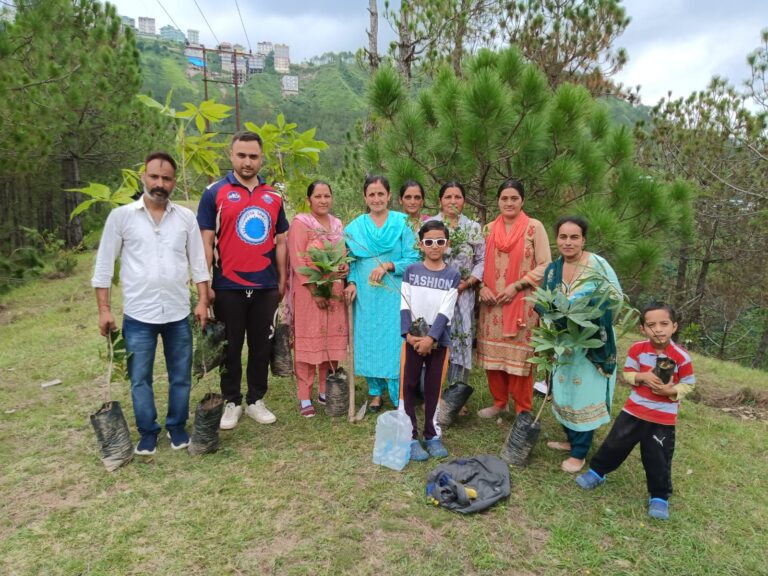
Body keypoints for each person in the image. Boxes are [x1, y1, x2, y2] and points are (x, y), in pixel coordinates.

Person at [92, 152, 209, 455]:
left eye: (166, 178)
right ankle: (147, 431)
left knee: (180, 375)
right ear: (143, 176)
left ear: (173, 182)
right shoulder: (122, 218)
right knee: (140, 377)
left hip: (177, 312)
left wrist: (203, 301)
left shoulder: (185, 218)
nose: (160, 183)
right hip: (138, 315)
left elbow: (198, 262)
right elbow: (104, 265)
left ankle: (177, 426)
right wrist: (104, 309)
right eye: (154, 177)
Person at [197, 131, 289, 429]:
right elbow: (206, 241)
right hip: (228, 285)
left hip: (265, 285)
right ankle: (232, 401)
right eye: (242, 155)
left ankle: (255, 400)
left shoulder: (273, 196)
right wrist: (206, 282)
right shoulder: (215, 192)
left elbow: (281, 240)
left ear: (261, 158)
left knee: (261, 345)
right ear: (231, 155)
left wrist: (283, 278)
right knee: (231, 345)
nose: (247, 162)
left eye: (253, 156)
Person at [576, 302, 696, 521]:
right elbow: (628, 374)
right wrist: (642, 377)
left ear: (674, 327)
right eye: (651, 325)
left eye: (664, 324)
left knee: (657, 456)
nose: (658, 329)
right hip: (633, 411)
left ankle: (659, 496)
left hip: (662, 418)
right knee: (615, 443)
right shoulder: (637, 350)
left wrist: (671, 390)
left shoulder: (681, 357)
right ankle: (597, 472)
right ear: (643, 329)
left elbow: (688, 384)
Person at [542, 216, 623, 473]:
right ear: (557, 240)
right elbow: (544, 302)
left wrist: (587, 315)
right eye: (563, 237)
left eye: (574, 237)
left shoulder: (598, 264)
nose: (568, 242)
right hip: (563, 342)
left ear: (583, 239)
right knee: (565, 390)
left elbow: (615, 297)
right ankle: (571, 439)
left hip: (590, 342)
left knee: (584, 394)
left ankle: (580, 452)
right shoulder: (553, 269)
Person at [343, 175, 420, 411]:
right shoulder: (355, 227)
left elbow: (414, 259)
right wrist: (352, 282)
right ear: (365, 197)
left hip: (393, 292)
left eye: (381, 194)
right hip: (366, 294)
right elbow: (351, 261)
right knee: (368, 340)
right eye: (372, 194)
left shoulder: (403, 223)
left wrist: (388, 265)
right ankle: (375, 393)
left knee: (393, 340)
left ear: (388, 196)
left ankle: (398, 394)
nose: (376, 199)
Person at [477, 179, 551, 418]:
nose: (509, 203)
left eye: (514, 198)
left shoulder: (533, 228)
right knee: (494, 357)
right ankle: (499, 403)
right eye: (504, 198)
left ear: (522, 201)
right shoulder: (487, 230)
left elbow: (545, 265)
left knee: (521, 358)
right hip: (492, 304)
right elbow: (477, 264)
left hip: (522, 303)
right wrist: (482, 287)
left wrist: (516, 286)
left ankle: (522, 409)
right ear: (498, 201)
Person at [286, 180, 349, 418]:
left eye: (327, 196)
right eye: (318, 196)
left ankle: (325, 389)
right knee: (308, 342)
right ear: (309, 199)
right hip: (308, 291)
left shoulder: (337, 224)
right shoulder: (301, 223)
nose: (323, 200)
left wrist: (343, 270)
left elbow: (343, 253)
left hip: (333, 289)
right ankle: (304, 396)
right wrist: (314, 290)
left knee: (328, 342)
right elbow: (297, 258)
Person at [400, 221, 460, 461]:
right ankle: (409, 436)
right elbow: (405, 303)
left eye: (439, 242)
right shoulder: (411, 271)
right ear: (420, 244)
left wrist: (431, 338)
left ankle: (432, 435)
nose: (434, 246)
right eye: (429, 242)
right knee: (408, 386)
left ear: (447, 244)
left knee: (434, 388)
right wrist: (408, 335)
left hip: (438, 342)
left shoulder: (452, 275)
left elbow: (447, 311)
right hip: (412, 341)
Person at [428, 182, 484, 386]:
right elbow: (420, 256)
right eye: (448, 197)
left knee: (461, 338)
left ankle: (456, 393)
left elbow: (481, 260)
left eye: (457, 197)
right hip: (435, 293)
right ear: (440, 201)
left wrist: (468, 282)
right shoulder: (432, 225)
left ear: (464, 201)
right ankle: (434, 391)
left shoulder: (472, 227)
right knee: (434, 336)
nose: (452, 201)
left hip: (463, 294)